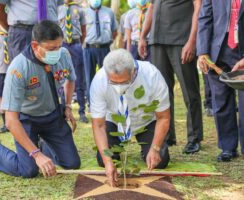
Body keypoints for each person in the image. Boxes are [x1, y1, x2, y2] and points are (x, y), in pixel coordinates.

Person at [0, 20, 80, 178]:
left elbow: (70, 79)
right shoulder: (18, 68)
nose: (57, 52)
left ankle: (45, 143)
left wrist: (67, 106)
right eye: (52, 48)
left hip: (53, 115)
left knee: (72, 163)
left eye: (59, 46)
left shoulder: (63, 54)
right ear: (35, 46)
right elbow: (11, 121)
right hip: (27, 120)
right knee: (29, 171)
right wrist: (36, 155)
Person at [90, 49, 170, 187]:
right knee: (103, 160)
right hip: (114, 122)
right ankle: (115, 152)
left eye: (124, 82)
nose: (119, 87)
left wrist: (155, 148)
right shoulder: (99, 80)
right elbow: (99, 125)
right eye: (113, 82)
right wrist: (108, 162)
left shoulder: (152, 75)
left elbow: (163, 117)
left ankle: (147, 150)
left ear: (133, 72)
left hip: (145, 122)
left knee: (161, 161)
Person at [138, 0, 203, 154]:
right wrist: (142, 36)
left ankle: (194, 137)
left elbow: (198, 6)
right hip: (157, 41)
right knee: (161, 93)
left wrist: (192, 41)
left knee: (189, 90)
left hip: (181, 40)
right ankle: (167, 135)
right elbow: (152, 7)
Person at [197, 0, 244, 161]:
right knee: (221, 101)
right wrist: (202, 51)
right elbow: (204, 18)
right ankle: (227, 147)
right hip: (218, 51)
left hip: (242, 51)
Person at [0, 0, 64, 62]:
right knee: (23, 72)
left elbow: (60, 6)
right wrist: (14, 30)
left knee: (52, 73)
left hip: (52, 33)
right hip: (23, 33)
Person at [58, 0, 88, 123]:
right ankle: (63, 110)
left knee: (79, 78)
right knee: (61, 77)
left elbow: (83, 29)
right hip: (62, 44)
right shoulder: (58, 8)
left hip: (76, 44)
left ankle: (82, 111)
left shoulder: (80, 9)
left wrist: (79, 44)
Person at [83, 0, 118, 103]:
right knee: (89, 77)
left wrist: (108, 42)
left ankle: (107, 102)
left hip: (104, 48)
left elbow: (114, 30)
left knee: (107, 76)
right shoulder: (83, 13)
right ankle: (91, 103)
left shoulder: (109, 12)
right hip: (89, 49)